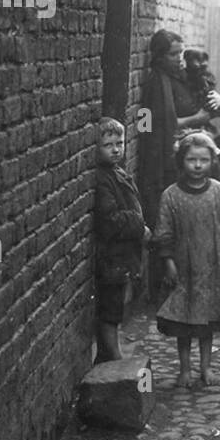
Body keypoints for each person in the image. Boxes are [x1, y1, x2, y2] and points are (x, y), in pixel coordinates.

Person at [152, 131, 220, 387]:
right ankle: (184, 368)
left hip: (214, 264)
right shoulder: (171, 195)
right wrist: (169, 263)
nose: (197, 166)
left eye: (203, 160)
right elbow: (164, 233)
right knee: (183, 320)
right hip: (184, 267)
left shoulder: (219, 192)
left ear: (212, 162)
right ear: (181, 161)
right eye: (191, 160)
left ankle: (206, 367)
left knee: (207, 320)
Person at [137, 29, 216, 230]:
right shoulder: (156, 81)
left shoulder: (176, 77)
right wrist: (196, 119)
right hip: (161, 152)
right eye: (173, 54)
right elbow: (153, 121)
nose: (179, 59)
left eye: (180, 53)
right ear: (160, 55)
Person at [93, 118, 149, 363]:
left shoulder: (117, 172)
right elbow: (111, 219)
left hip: (123, 254)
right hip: (112, 254)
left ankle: (111, 350)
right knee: (110, 307)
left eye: (120, 143)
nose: (116, 149)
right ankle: (112, 354)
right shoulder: (103, 178)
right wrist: (139, 225)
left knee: (116, 303)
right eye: (108, 145)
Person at [183, 47, 220, 159]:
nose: (201, 64)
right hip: (187, 134)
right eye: (197, 60)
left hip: (204, 132)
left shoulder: (205, 80)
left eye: (203, 60)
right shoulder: (179, 81)